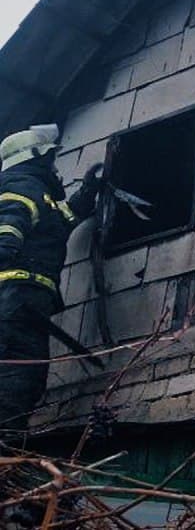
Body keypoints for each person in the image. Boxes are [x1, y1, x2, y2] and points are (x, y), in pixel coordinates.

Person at [0, 124, 102, 431]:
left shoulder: (38, 194)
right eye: (50, 160)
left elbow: (58, 223)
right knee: (18, 377)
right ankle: (6, 442)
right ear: (35, 159)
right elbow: (8, 229)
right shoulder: (21, 187)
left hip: (25, 301)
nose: (55, 169)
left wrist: (86, 194)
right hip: (15, 300)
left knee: (27, 376)